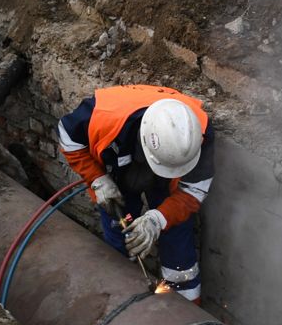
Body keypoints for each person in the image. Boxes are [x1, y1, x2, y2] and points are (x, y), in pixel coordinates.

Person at [57, 85, 212, 302]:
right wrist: (97, 179)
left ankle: (188, 309)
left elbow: (193, 191)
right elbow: (67, 134)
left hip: (170, 180)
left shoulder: (198, 133)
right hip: (123, 158)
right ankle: (120, 298)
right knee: (121, 224)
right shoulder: (102, 117)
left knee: (177, 235)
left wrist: (158, 219)